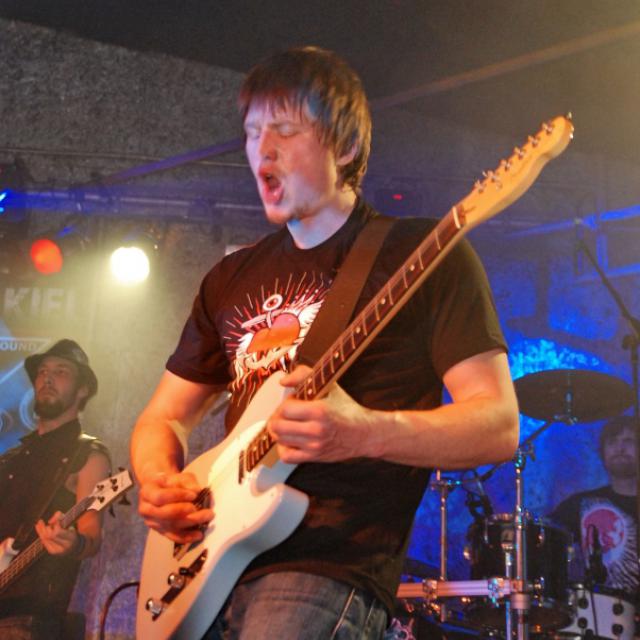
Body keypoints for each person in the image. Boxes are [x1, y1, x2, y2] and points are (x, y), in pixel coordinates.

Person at [130, 46, 519, 639]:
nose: (262, 149)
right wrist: (158, 479)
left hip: (327, 567)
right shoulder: (229, 277)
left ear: (346, 147)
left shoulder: (422, 254)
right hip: (206, 560)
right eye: (253, 132)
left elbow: (498, 425)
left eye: (285, 130)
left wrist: (363, 431)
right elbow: (162, 417)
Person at [0, 339, 110, 639]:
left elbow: (92, 537)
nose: (47, 378)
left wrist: (73, 543)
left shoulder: (87, 455)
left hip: (28, 619)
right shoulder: (12, 457)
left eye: (60, 371)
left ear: (83, 389)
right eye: (42, 372)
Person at [551, 415, 638, 597]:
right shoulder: (581, 504)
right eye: (612, 442)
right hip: (596, 609)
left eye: (628, 441)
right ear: (602, 453)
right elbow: (545, 537)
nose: (620, 448)